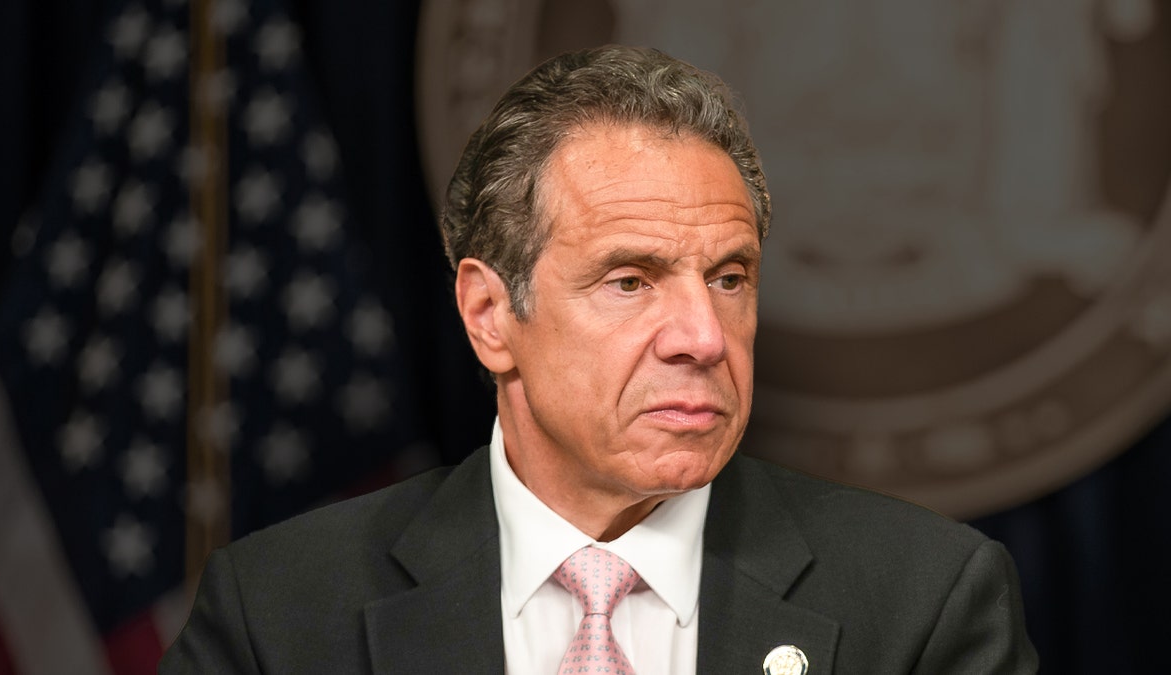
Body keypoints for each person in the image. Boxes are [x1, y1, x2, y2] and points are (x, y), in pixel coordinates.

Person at [161, 45, 1037, 674]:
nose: (702, 334)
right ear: (490, 315)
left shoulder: (924, 602)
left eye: (729, 277)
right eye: (630, 280)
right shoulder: (276, 616)